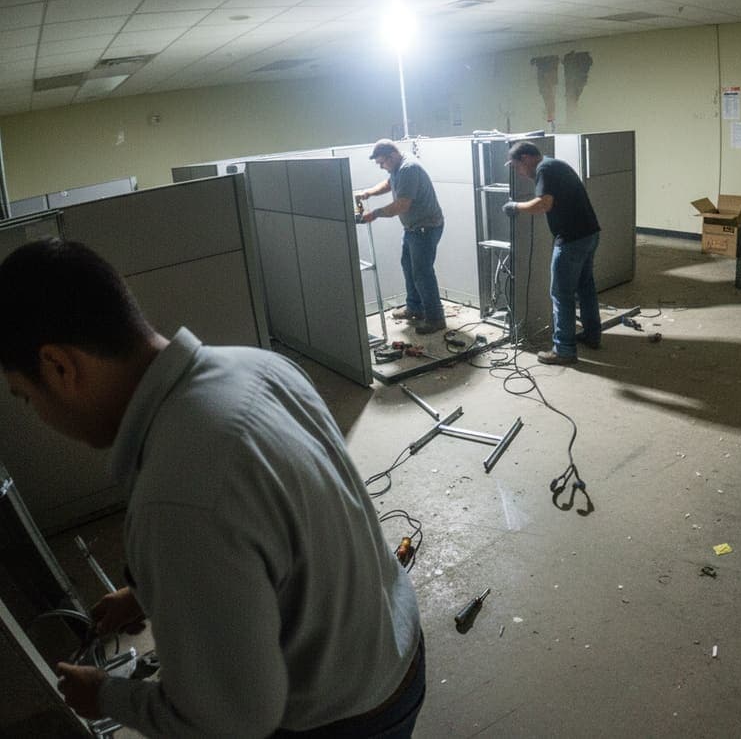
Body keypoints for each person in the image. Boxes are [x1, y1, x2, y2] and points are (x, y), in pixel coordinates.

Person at [0, 238, 424, 739]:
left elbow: (234, 720)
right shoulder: (256, 366)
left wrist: (105, 695)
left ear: (59, 367)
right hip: (395, 646)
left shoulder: (174, 498)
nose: (41, 416)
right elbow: (272, 527)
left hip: (344, 717)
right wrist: (147, 592)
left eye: (26, 398)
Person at [503, 140, 601, 365]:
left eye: (517, 167)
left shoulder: (544, 169)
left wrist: (515, 206)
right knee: (585, 287)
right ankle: (592, 335)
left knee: (561, 294)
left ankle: (564, 350)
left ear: (526, 158)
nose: (518, 172)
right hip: (589, 234)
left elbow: (543, 204)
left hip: (572, 240)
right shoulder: (555, 165)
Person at [357, 139, 446, 335]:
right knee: (408, 267)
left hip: (425, 228)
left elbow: (402, 205)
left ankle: (435, 318)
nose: (381, 167)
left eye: (382, 163)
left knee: (422, 273)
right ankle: (415, 308)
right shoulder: (397, 168)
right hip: (413, 228)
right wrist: (368, 193)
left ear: (392, 155)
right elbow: (389, 183)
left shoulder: (408, 168)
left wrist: (375, 214)